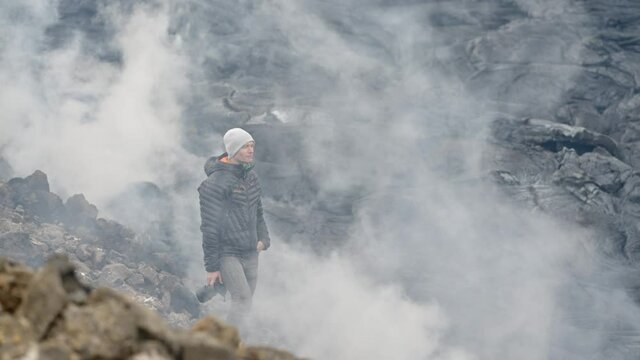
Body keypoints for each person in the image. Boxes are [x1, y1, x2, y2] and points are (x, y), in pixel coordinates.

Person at [198, 128, 270, 327]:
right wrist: (212, 267)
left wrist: (264, 240)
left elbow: (258, 212)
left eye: (251, 145)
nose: (250, 150)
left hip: (251, 251)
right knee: (242, 299)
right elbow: (209, 227)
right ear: (233, 150)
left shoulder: (251, 177)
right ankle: (228, 346)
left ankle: (237, 341)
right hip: (228, 253)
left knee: (246, 302)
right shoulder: (214, 184)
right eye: (245, 146)